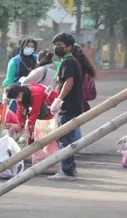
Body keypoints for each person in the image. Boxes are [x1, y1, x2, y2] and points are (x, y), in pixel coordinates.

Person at [49, 32, 83, 181]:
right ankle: (69, 168)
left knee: (64, 138)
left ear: (69, 47)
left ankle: (67, 170)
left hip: (68, 106)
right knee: (67, 137)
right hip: (71, 105)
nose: (57, 48)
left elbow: (69, 82)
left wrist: (59, 99)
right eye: (56, 45)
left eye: (60, 45)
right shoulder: (69, 61)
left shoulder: (68, 62)